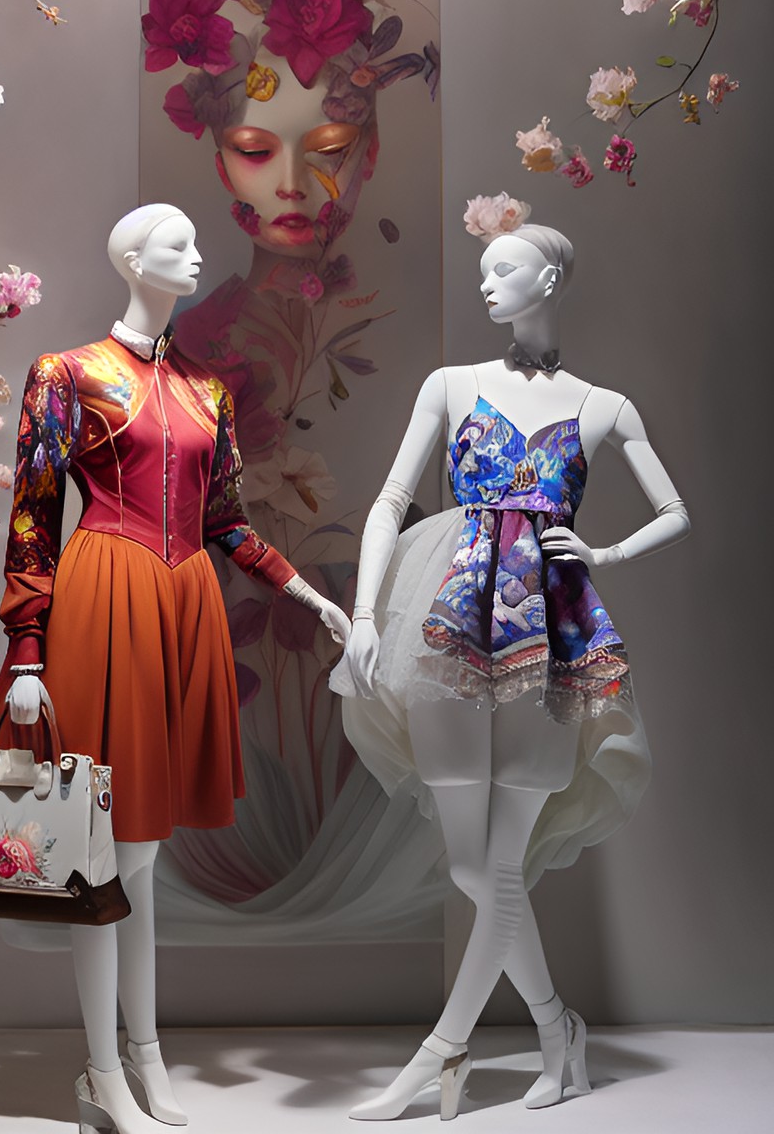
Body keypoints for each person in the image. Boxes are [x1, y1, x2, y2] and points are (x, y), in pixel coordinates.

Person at [0, 204, 349, 1134]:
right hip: (105, 597)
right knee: (108, 850)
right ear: (131, 260)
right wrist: (26, 649)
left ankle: (144, 1055)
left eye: (194, 243)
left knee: (144, 854)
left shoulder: (205, 390)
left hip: (185, 604)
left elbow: (226, 520)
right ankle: (104, 1071)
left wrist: (304, 592)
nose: (196, 257)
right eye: (176, 244)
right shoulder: (68, 374)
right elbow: (32, 513)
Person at [333, 222, 689, 1118]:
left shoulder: (605, 406)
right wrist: (366, 615)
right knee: (473, 866)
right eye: (483, 270)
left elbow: (675, 511)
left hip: (549, 628)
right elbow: (388, 500)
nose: (487, 284)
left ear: (551, 277)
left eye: (505, 269)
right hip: (452, 617)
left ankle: (440, 1053)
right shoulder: (451, 385)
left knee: (498, 867)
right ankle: (558, 1028)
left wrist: (603, 553)